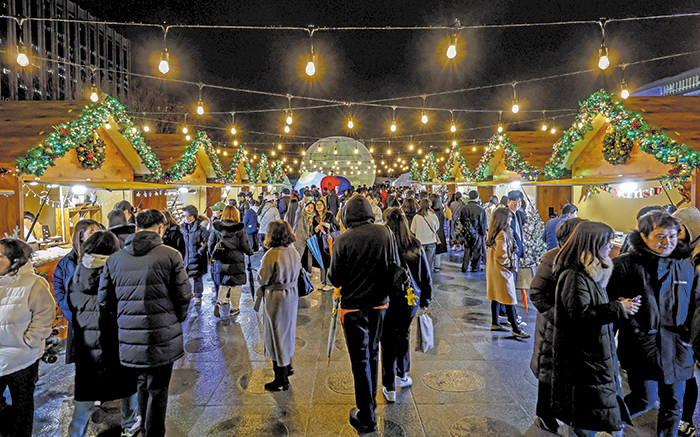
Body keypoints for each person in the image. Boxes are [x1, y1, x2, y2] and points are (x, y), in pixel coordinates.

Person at [99, 209, 192, 437]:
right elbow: (184, 295)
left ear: (136, 228)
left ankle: (141, 425)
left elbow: (104, 300)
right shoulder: (170, 255)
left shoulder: (115, 259)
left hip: (130, 335)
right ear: (161, 228)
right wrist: (174, 318)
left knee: (140, 383)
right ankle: (154, 433)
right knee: (159, 390)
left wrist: (125, 320)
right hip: (162, 334)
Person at [607, 211, 700, 437]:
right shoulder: (624, 265)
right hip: (642, 348)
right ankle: (608, 422)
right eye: (660, 236)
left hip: (679, 349)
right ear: (644, 235)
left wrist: (692, 340)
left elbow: (697, 303)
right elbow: (606, 305)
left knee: (674, 406)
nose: (667, 242)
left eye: (672, 235)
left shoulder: (685, 265)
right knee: (644, 399)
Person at [551, 221, 640, 437]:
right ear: (592, 244)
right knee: (585, 416)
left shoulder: (591, 271)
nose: (611, 245)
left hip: (593, 354)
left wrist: (617, 305)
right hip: (583, 357)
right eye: (606, 241)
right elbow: (580, 315)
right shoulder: (575, 276)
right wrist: (617, 308)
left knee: (592, 413)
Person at [328, 195, 399, 433]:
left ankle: (367, 415)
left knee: (359, 360)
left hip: (353, 307)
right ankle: (371, 404)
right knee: (374, 352)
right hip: (380, 304)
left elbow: (335, 278)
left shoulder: (341, 241)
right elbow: (394, 264)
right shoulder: (384, 233)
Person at [67, 231, 139, 437]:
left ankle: (76, 433)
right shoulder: (119, 271)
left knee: (84, 398)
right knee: (127, 387)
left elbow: (72, 305)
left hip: (86, 346)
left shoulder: (77, 273)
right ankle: (129, 426)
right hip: (114, 342)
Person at [528, 217, 585, 434]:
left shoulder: (585, 259)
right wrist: (557, 316)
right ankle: (544, 415)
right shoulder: (552, 258)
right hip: (552, 327)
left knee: (562, 373)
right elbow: (536, 292)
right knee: (548, 372)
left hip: (572, 328)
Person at [0, 238, 55, 437]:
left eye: (0, 255)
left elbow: (45, 314)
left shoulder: (33, 283)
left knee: (22, 408)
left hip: (23, 358)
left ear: (15, 260)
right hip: (0, 357)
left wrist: (30, 340)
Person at [380, 207, 432, 402]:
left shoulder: (383, 245)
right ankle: (402, 375)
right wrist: (426, 300)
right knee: (403, 335)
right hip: (410, 300)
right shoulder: (414, 244)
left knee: (387, 341)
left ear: (386, 223)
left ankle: (389, 387)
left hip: (387, 300)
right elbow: (426, 275)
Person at [256, 221, 301, 391]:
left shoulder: (271, 254)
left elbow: (263, 279)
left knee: (275, 334)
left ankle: (281, 378)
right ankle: (287, 366)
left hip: (276, 297)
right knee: (287, 331)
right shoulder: (293, 250)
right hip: (292, 294)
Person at [54, 219, 102, 365]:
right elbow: (58, 285)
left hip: (99, 317)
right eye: (92, 231)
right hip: (76, 318)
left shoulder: (104, 257)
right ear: (81, 236)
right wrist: (67, 307)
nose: (97, 234)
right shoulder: (67, 261)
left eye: (98, 230)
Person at [486, 208, 530, 338]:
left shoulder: (493, 232)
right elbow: (502, 255)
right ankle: (516, 329)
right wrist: (511, 265)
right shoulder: (502, 235)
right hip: (502, 271)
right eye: (510, 218)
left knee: (496, 296)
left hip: (494, 269)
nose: (511, 220)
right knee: (509, 298)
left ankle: (495, 322)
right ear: (504, 220)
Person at [208, 205, 254, 318]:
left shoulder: (217, 228)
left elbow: (210, 245)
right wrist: (250, 252)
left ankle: (219, 302)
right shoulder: (239, 229)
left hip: (222, 260)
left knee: (224, 283)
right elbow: (245, 246)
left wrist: (215, 255)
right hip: (236, 260)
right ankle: (234, 309)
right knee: (236, 286)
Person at [181, 205, 209, 306]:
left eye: (184, 216)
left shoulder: (200, 228)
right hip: (186, 257)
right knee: (184, 277)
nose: (183, 218)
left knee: (197, 278)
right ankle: (190, 293)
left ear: (192, 216)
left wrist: (200, 251)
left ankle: (198, 296)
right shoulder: (183, 228)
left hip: (197, 257)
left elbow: (208, 241)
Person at [313, 199, 339, 291]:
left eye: (320, 204)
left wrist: (325, 224)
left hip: (329, 241)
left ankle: (330, 283)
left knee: (329, 261)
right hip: (320, 242)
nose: (318, 206)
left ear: (324, 206)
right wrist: (316, 228)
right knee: (322, 262)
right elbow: (313, 231)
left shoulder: (329, 215)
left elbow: (336, 226)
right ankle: (322, 282)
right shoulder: (315, 218)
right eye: (317, 205)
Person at [460, 191, 487, 273]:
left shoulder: (464, 208)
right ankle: (475, 267)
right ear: (477, 197)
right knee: (476, 250)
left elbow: (461, 220)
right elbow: (483, 223)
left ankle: (464, 267)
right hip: (477, 232)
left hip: (466, 232)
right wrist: (483, 234)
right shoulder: (481, 209)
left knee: (467, 249)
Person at [410, 199, 440, 273]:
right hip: (431, 241)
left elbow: (412, 230)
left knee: (421, 261)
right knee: (430, 262)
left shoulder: (416, 216)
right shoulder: (433, 215)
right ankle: (429, 278)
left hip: (420, 241)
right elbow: (437, 227)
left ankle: (421, 278)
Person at [292, 201, 317, 273]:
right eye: (308, 206)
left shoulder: (312, 218)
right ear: (305, 207)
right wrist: (302, 202)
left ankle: (302, 274)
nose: (310, 209)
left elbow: (311, 232)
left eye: (312, 208)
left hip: (307, 242)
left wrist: (311, 225)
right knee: (296, 259)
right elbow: (298, 210)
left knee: (304, 260)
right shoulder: (300, 215)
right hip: (298, 241)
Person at [429, 193, 448, 272]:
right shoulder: (441, 210)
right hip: (440, 232)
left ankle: (431, 265)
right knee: (438, 251)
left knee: (431, 250)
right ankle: (437, 266)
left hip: (432, 232)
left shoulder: (430, 211)